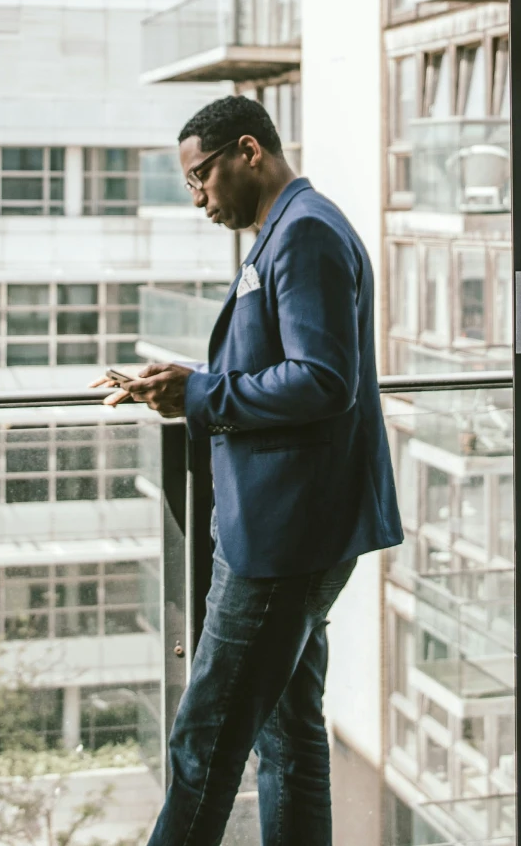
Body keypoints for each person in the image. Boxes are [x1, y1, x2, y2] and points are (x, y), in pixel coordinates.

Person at [96, 94, 400, 846]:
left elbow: (325, 379)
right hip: (289, 528)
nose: (196, 196)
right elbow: (282, 362)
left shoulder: (304, 236)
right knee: (290, 736)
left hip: (281, 538)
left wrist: (201, 393)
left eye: (200, 177)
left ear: (248, 152)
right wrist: (190, 379)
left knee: (205, 741)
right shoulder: (292, 230)